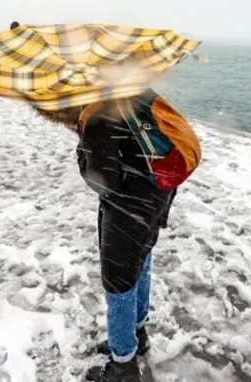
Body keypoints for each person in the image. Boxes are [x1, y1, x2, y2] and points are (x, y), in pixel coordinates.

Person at [34, 89, 191, 382]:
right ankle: (137, 333)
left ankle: (123, 364)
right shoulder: (131, 90)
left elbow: (102, 181)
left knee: (118, 281)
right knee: (141, 260)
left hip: (128, 204)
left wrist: (84, 147)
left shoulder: (95, 116)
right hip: (158, 192)